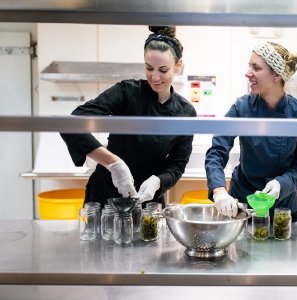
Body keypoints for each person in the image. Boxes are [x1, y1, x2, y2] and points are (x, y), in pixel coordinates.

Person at [61, 26, 196, 208]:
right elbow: (72, 124)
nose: (155, 77)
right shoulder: (126, 92)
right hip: (105, 197)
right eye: (149, 68)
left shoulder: (185, 112)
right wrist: (114, 164)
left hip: (148, 201)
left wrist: (158, 181)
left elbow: (177, 165)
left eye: (163, 70)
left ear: (178, 65)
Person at [205, 41, 297, 221]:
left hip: (283, 210)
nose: (248, 73)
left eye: (256, 68)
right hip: (242, 207)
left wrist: (282, 184)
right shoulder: (241, 107)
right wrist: (218, 190)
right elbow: (217, 151)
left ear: (277, 74)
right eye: (249, 66)